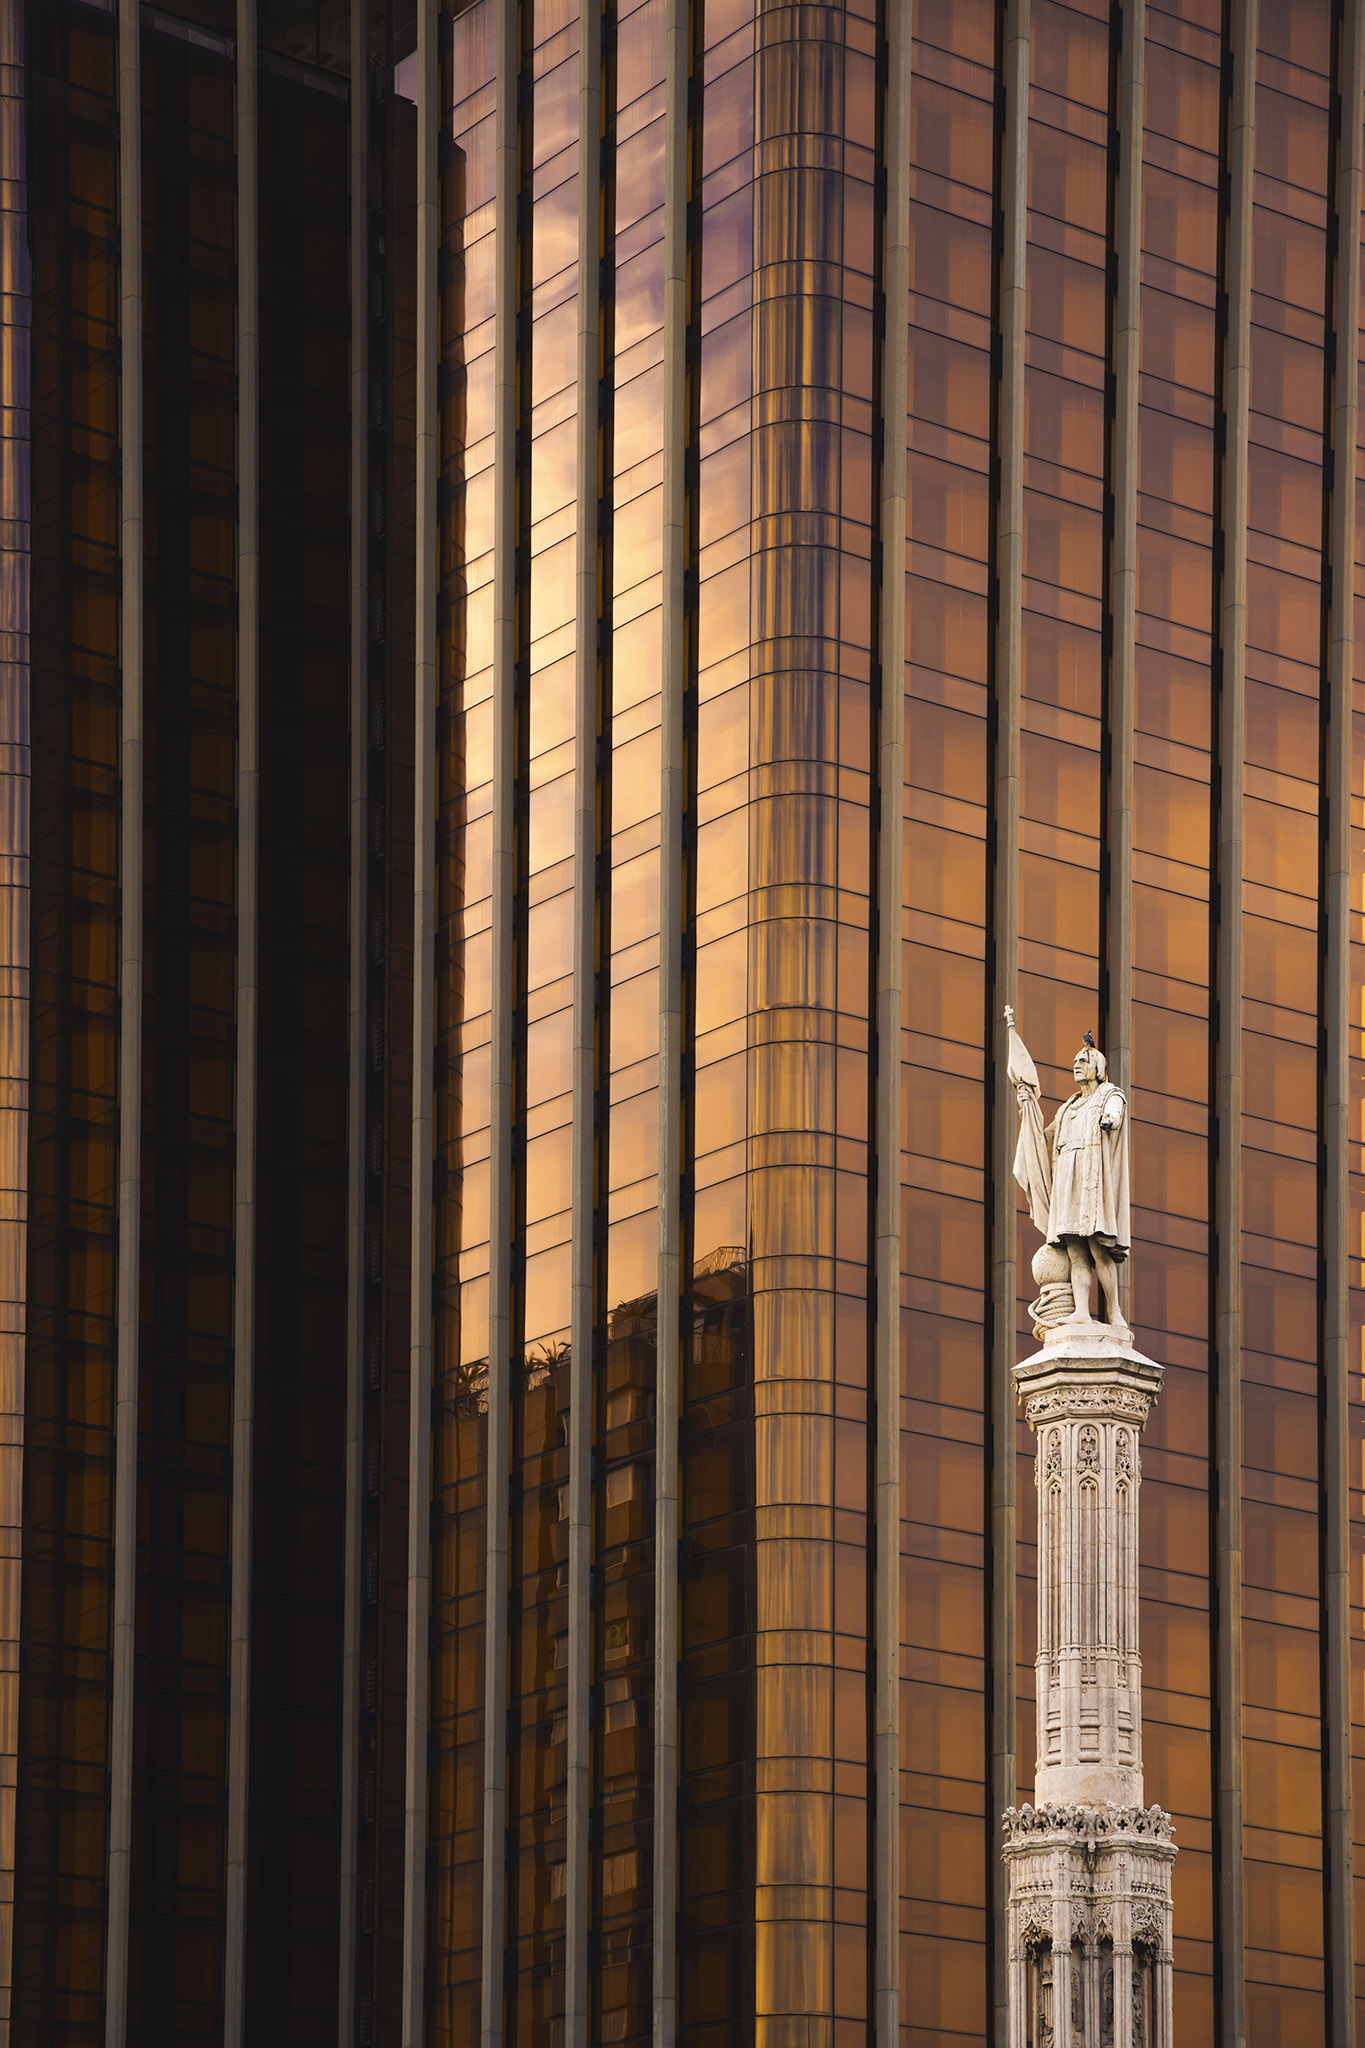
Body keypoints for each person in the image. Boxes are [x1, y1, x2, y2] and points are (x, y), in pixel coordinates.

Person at [1006, 1011, 1130, 1328]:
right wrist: (1028, 1109)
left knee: (1097, 1248)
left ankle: (1114, 1311)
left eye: (1083, 1061)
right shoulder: (1068, 1107)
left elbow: (1116, 1113)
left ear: (1098, 1069)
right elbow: (1044, 1139)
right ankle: (1081, 1312)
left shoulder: (1109, 1095)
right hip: (1067, 1181)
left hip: (1091, 1179)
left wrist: (1110, 1120)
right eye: (1075, 1062)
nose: (1076, 1066)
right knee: (1075, 1251)